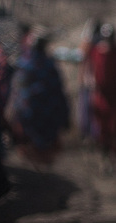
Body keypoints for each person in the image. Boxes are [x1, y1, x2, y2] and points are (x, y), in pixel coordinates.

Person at [7, 30, 70, 168]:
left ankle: (38, 166)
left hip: (32, 111)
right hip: (43, 111)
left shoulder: (24, 64)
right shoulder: (47, 65)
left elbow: (18, 92)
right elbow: (58, 90)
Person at [85, 23, 116, 172]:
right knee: (102, 128)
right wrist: (90, 80)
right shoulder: (95, 52)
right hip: (101, 97)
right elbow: (89, 69)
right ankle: (104, 159)